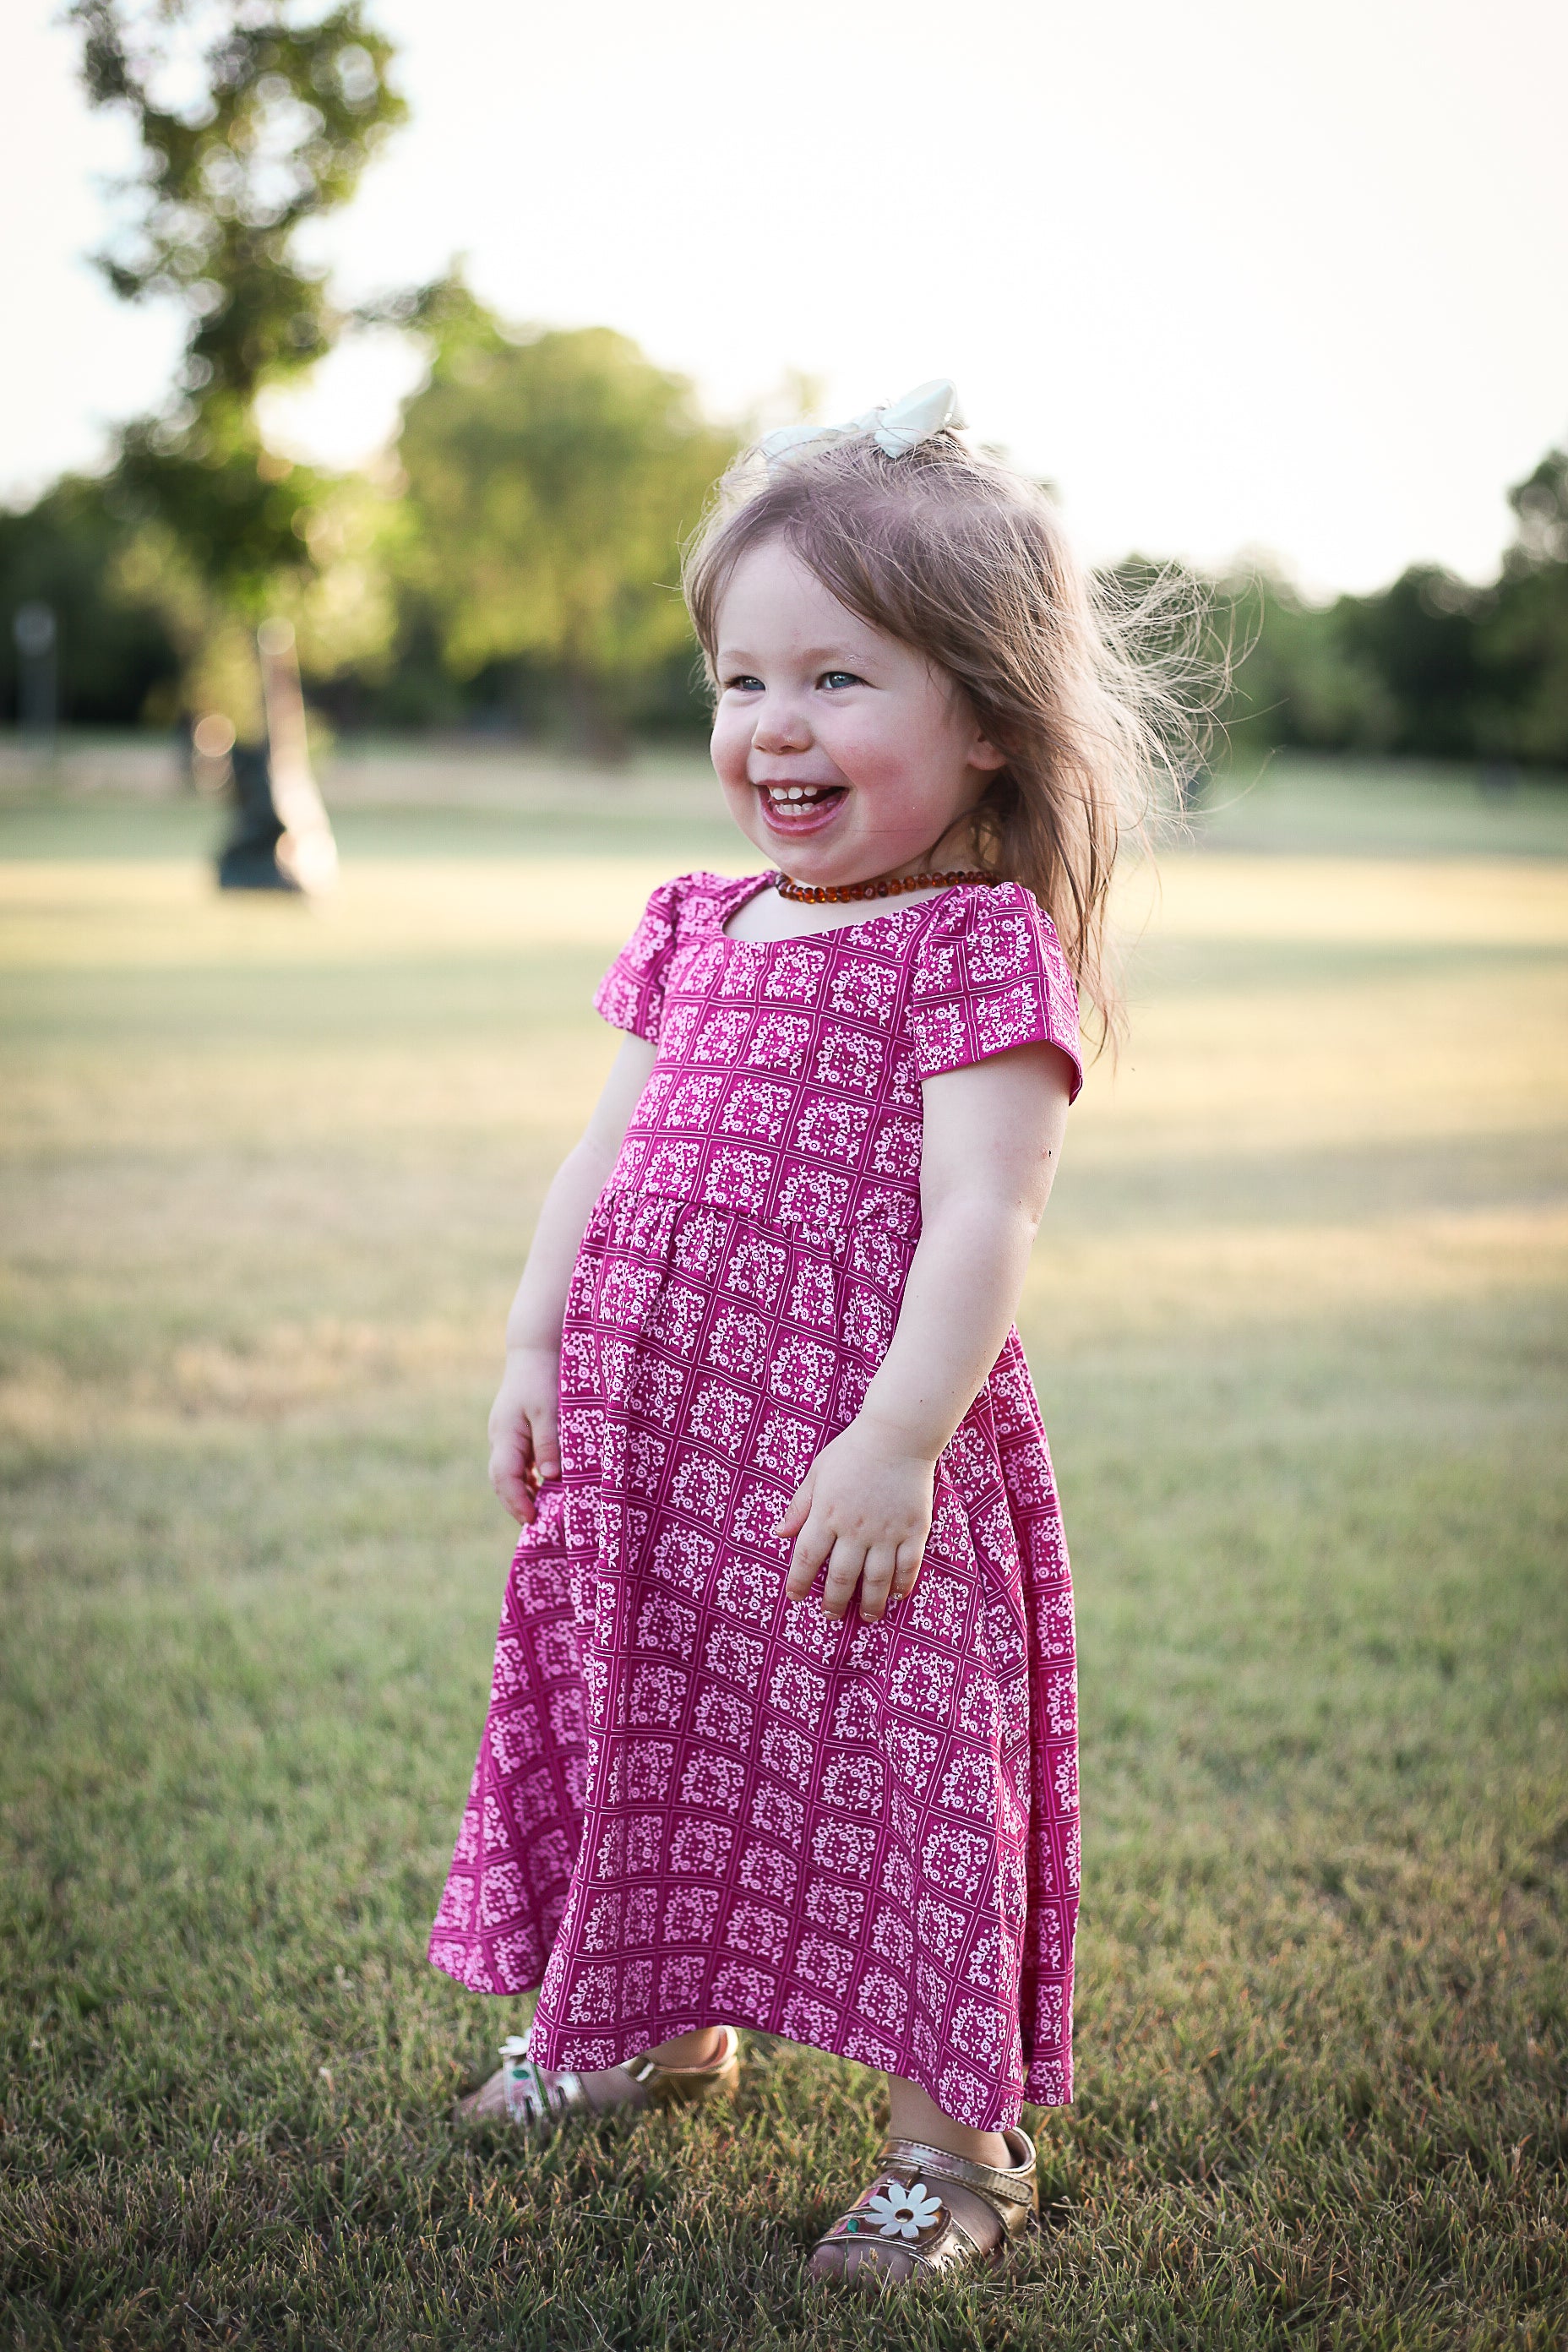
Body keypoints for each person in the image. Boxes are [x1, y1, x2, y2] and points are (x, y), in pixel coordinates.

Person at [429, 384, 1183, 2287]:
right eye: (742, 678)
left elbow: (987, 1216)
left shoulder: (971, 944)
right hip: (658, 1444)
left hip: (853, 1452)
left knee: (903, 1775)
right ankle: (654, 2027)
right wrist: (530, 1351)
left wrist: (899, 1439)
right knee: (665, 1721)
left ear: (985, 716)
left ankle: (956, 2149)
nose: (774, 723)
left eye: (839, 680)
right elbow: (598, 1161)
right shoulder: (697, 924)